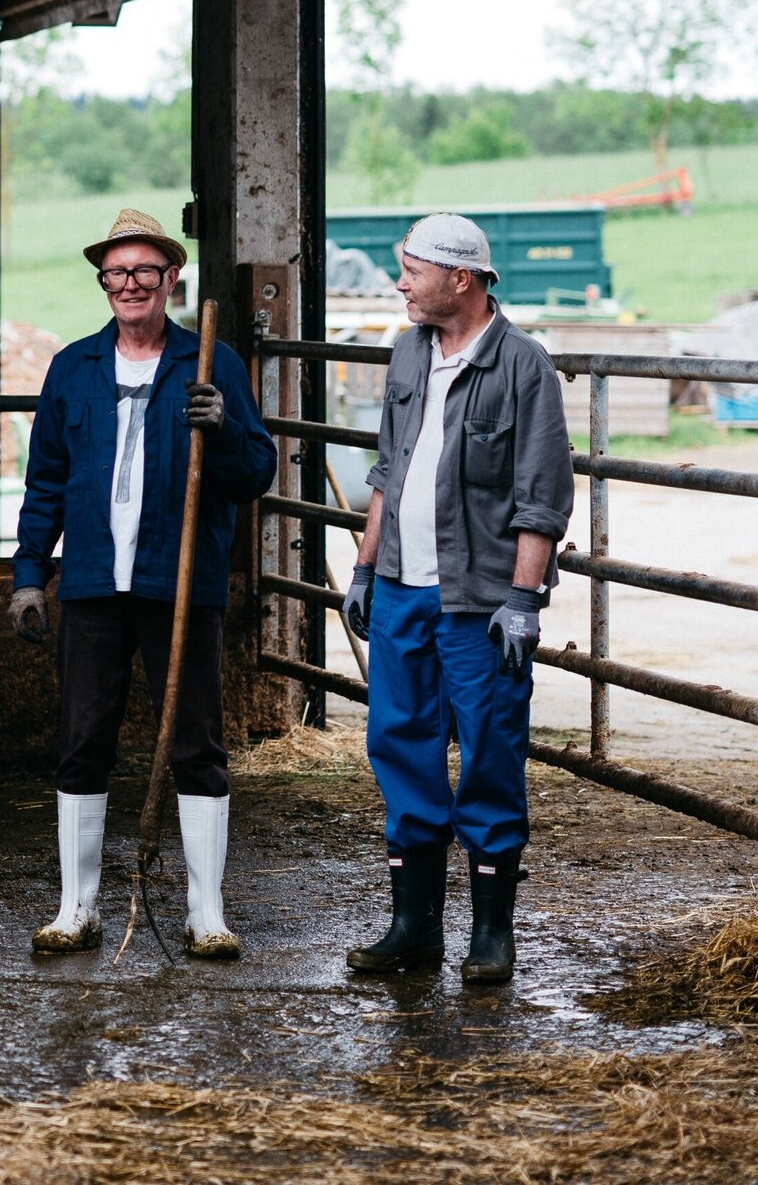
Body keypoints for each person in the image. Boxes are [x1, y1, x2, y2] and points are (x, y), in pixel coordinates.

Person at [9, 209, 277, 960]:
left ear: (171, 278)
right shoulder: (74, 367)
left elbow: (256, 472)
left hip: (179, 585)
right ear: (104, 282)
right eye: (116, 273)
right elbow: (46, 481)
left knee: (197, 744)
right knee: (82, 742)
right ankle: (77, 908)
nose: (129, 285)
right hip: (92, 584)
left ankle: (206, 912)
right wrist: (30, 574)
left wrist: (224, 428)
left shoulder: (210, 363)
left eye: (144, 272)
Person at [339, 213, 572, 984]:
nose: (400, 284)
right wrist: (366, 569)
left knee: (490, 753)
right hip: (402, 589)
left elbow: (542, 496)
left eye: (412, 271)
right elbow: (388, 470)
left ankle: (492, 933)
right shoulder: (409, 351)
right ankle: (414, 928)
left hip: (480, 602)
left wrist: (523, 599)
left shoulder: (522, 365)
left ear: (460, 279)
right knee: (399, 743)